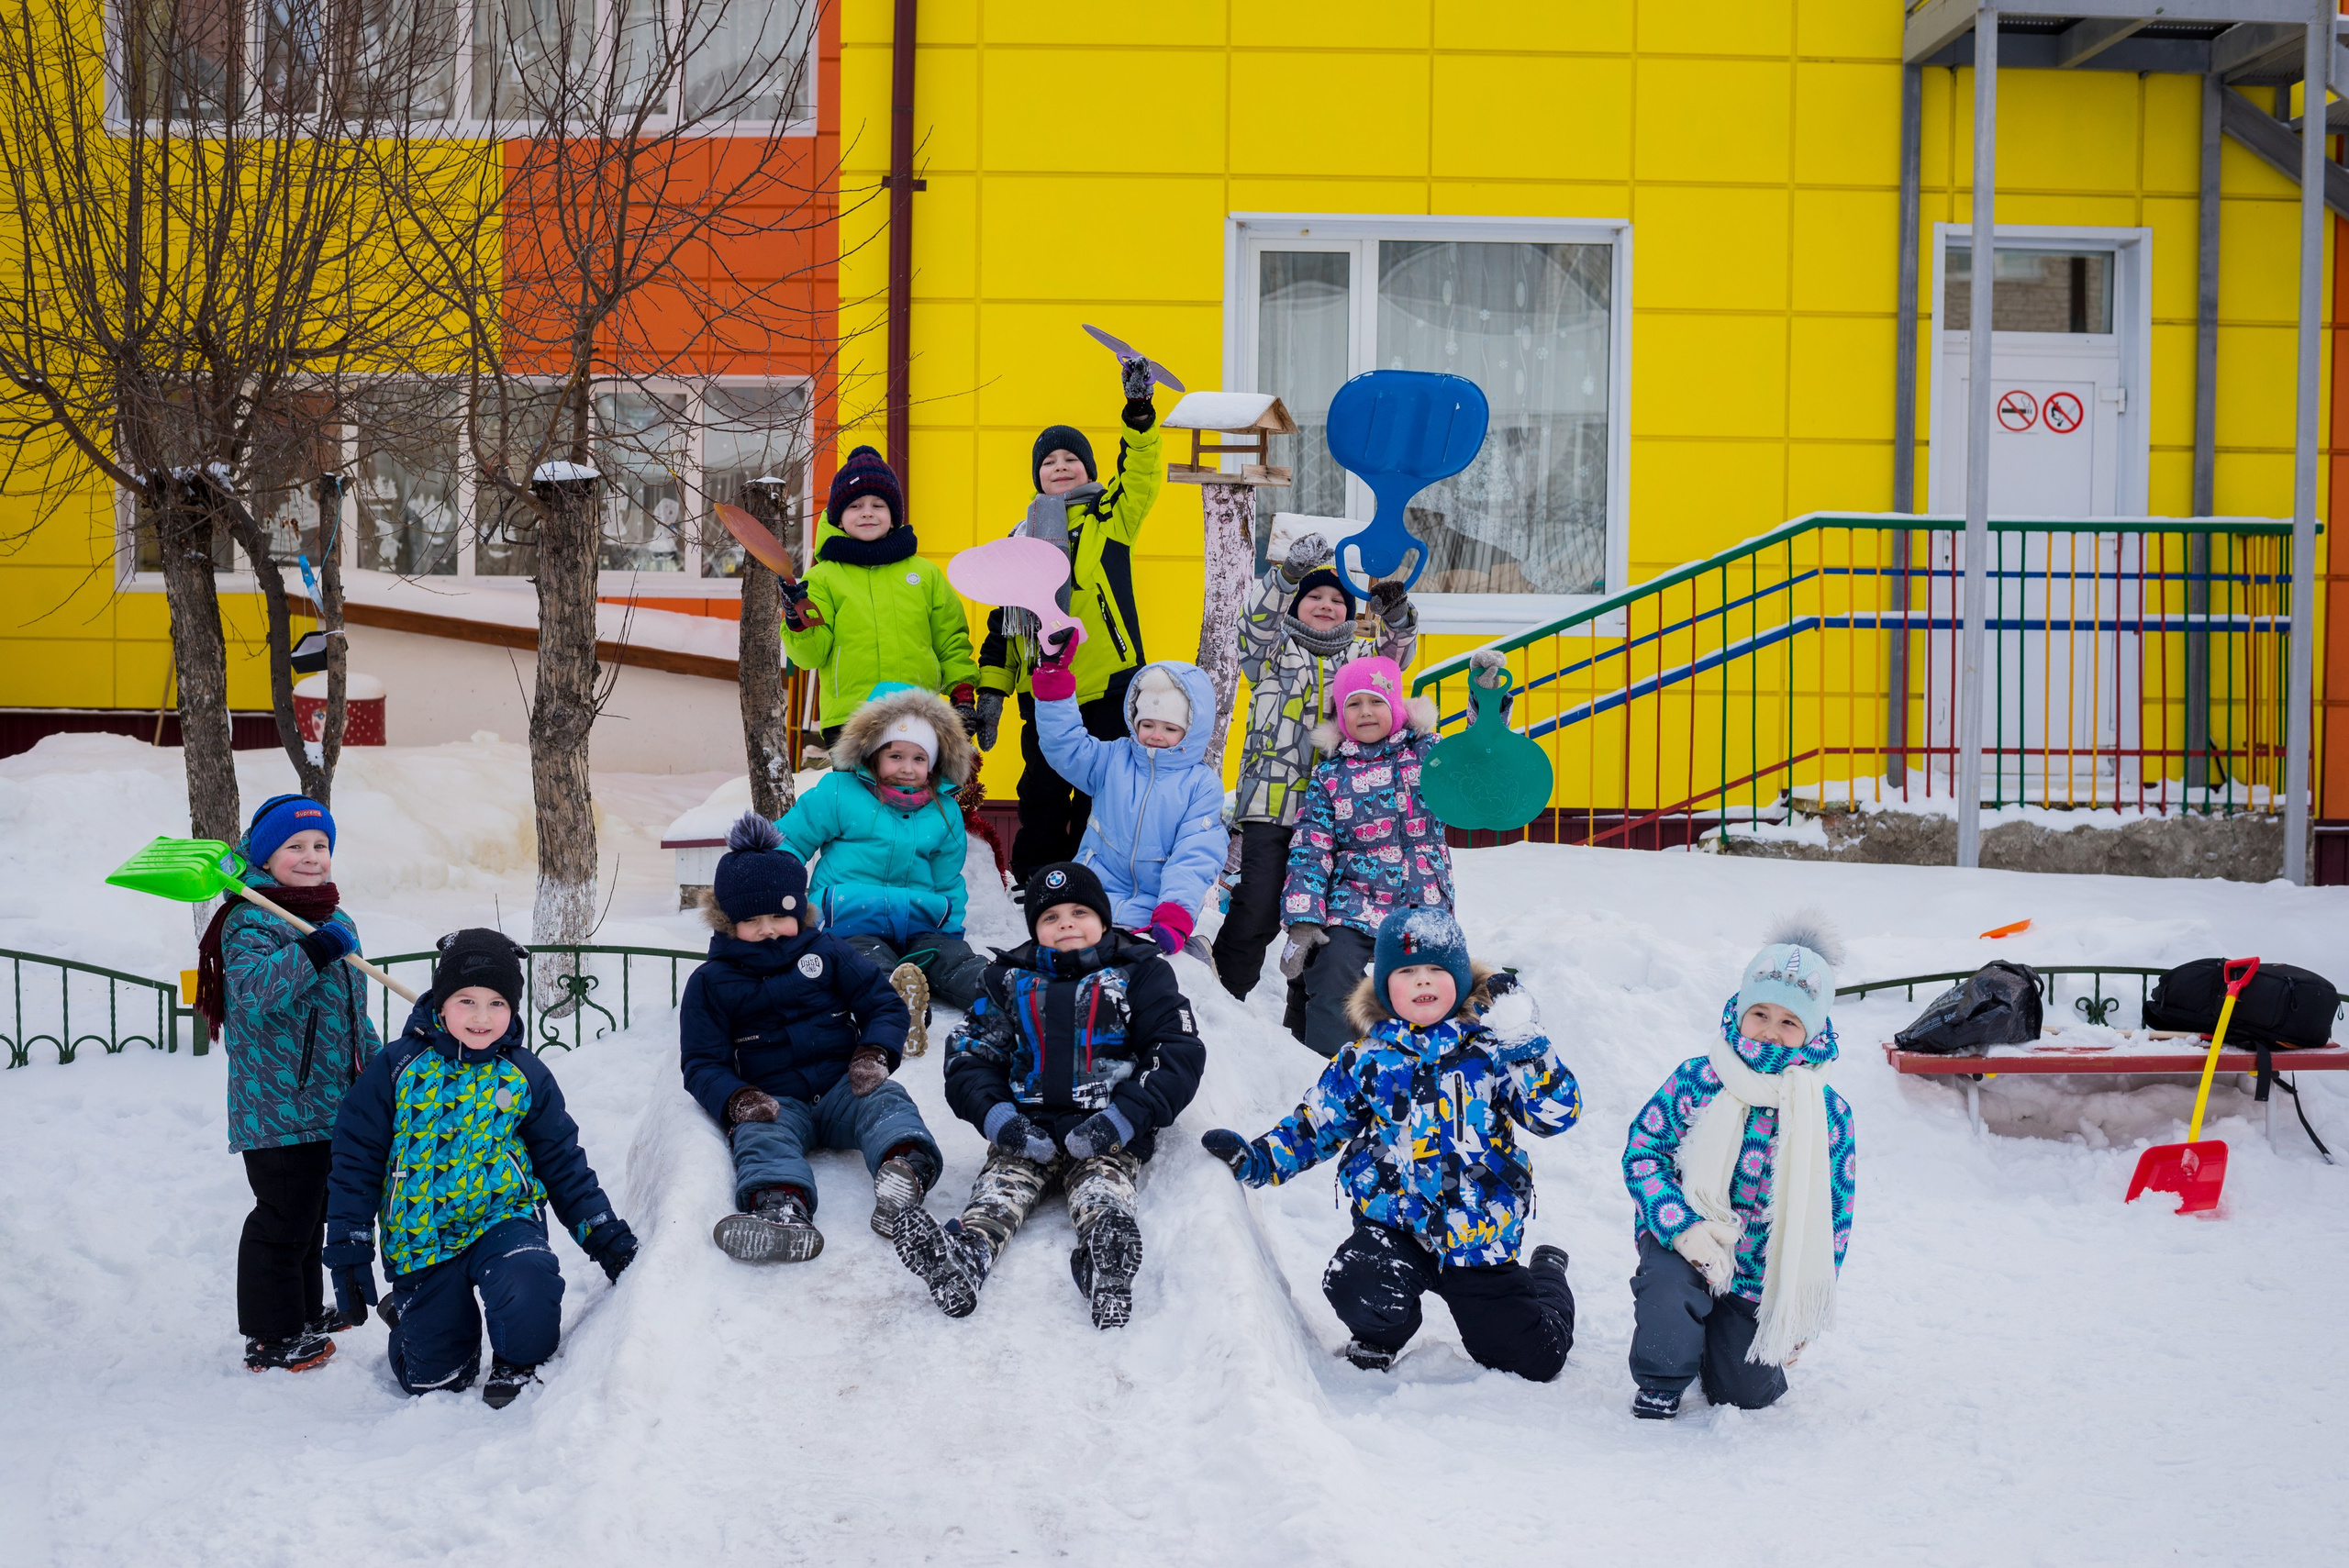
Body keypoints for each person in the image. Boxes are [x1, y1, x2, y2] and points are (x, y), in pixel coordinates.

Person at [1200, 906, 1579, 1380]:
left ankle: (1546, 1274)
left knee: (1531, 1360)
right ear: (1383, 986)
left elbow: (1555, 1116)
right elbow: (1317, 1125)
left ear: (1461, 980)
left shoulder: (1494, 1053)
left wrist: (1526, 1044)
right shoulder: (1366, 1059)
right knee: (1355, 1280)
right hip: (1395, 1222)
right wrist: (1257, 1160)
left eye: (1437, 970)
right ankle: (1381, 1334)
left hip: (1477, 1235)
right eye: (1407, 972)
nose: (1423, 981)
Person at [322, 929, 639, 1407]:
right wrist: (349, 1245)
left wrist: (604, 1235)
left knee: (528, 1273)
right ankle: (409, 1323)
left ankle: (519, 1361)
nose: (481, 1017)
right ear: (440, 1005)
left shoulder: (524, 1073)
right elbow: (356, 1159)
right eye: (466, 1001)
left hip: (502, 1218)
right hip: (422, 1236)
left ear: (512, 1010)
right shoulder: (396, 1068)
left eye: (496, 1003)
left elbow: (561, 1160)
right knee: (433, 1382)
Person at [893, 862, 1205, 1330]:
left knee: (1103, 1192)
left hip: (1107, 1129)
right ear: (1035, 929)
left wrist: (1123, 1118)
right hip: (1028, 1129)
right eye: (1051, 917)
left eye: (1080, 911)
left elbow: (1176, 1052)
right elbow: (970, 1054)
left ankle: (1105, 1261)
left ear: (1103, 919)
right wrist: (1000, 1120)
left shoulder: (1139, 974)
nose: (1067, 924)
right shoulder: (1006, 979)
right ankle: (963, 1256)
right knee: (998, 1194)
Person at [1622, 916, 1856, 1420]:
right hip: (1682, 1244)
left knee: (1747, 1393)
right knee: (1670, 1292)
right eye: (1761, 1013)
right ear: (1739, 1010)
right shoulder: (1699, 1077)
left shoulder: (1828, 1111)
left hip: (1758, 1273)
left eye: (1790, 1022)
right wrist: (1681, 1229)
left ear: (1812, 1030)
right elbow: (1644, 1152)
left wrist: (1801, 1310)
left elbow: (1834, 1215)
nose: (1771, 1031)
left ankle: (1717, 1343)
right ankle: (1663, 1377)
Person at [679, 812, 940, 1264]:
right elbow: (702, 1062)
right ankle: (781, 1208)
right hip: (776, 1100)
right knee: (759, 1137)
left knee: (888, 1099)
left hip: (844, 1087)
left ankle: (905, 1169)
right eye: (752, 919)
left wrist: (874, 1054)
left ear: (799, 910)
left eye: (780, 915)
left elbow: (882, 1004)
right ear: (726, 923)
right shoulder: (711, 982)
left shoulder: (828, 952)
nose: (768, 929)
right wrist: (739, 1099)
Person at [193, 793, 384, 1374]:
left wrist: (379, 1070)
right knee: (282, 1219)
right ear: (263, 855)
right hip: (278, 1104)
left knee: (311, 1214)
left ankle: (300, 1312)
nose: (310, 856)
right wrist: (312, 951)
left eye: (320, 845)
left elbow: (355, 1011)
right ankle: (271, 1335)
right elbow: (251, 996)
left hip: (332, 1102)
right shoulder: (248, 919)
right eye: (293, 846)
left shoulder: (334, 917)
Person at [972, 354, 1164, 889]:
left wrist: (1139, 412)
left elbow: (1142, 473)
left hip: (1108, 683)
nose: (1059, 466)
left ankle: (1090, 878)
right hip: (1045, 688)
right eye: (1049, 460)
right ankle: (1036, 880)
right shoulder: (1020, 537)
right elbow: (1003, 629)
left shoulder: (1112, 517)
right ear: (1036, 474)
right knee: (1041, 790)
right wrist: (992, 693)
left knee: (1100, 789)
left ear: (1089, 470)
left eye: (1070, 459)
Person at [1212, 531, 1417, 999]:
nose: (1326, 604)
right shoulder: (1270, 654)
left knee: (1321, 919)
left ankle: (1301, 1024)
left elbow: (1393, 665)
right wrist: (1286, 577)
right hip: (1273, 807)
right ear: (1296, 605)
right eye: (1314, 596)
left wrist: (1398, 620)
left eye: (1337, 599)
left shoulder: (1359, 661)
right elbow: (1256, 624)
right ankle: (1224, 996)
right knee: (1258, 905)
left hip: (1341, 816)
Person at [1276, 650, 1508, 1057]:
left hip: (1424, 902)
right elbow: (1310, 848)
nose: (1365, 712)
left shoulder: (1429, 754)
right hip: (1354, 903)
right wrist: (1303, 919)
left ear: (1397, 707)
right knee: (1332, 971)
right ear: (1340, 714)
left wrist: (1484, 702)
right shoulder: (1331, 774)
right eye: (1353, 703)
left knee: (1439, 980)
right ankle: (1329, 1070)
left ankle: (1441, 1060)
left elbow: (1475, 760)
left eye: (1376, 701)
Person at [779, 681, 985, 1033]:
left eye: (919, 758)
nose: (907, 768)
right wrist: (777, 892)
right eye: (896, 756)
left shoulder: (944, 810)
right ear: (873, 754)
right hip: (850, 918)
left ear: (933, 764)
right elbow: (792, 841)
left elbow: (948, 877)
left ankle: (1002, 994)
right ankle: (896, 1007)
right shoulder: (840, 793)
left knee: (955, 961)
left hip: (922, 923)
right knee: (863, 963)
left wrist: (950, 930)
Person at [780, 444, 982, 743]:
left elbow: (950, 640)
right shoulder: (822, 578)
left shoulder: (925, 574)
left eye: (878, 505)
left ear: (893, 514)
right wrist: (798, 620)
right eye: (855, 505)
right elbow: (811, 656)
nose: (867, 513)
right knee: (856, 792)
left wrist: (962, 692)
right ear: (838, 517)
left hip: (918, 716)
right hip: (850, 718)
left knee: (915, 790)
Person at [1030, 651, 1225, 957]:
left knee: (1149, 977)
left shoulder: (1200, 786)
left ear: (1191, 731)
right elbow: (1065, 746)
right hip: (1092, 900)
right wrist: (1055, 684)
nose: (1156, 736)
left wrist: (1175, 911)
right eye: (1147, 724)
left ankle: (1196, 955)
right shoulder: (1112, 760)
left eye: (1170, 729)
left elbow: (1195, 855)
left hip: (1155, 913)